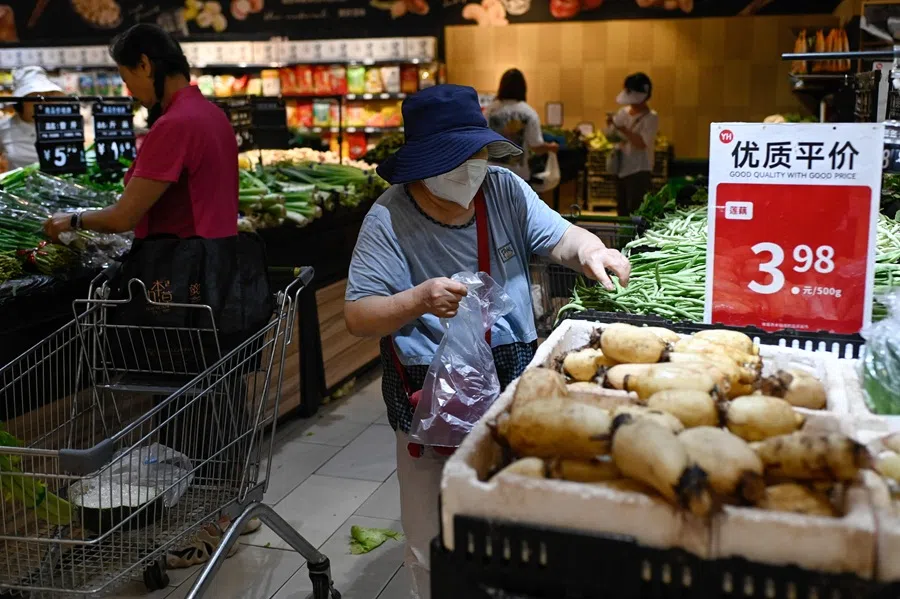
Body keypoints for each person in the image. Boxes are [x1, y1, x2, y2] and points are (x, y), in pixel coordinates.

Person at [344, 84, 631, 599]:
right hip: (429, 395)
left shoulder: (503, 188)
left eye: (476, 152)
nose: (471, 166)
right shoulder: (388, 218)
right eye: (457, 157)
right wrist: (418, 300)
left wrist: (592, 250)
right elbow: (358, 315)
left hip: (513, 385)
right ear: (423, 162)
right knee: (433, 534)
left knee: (513, 517)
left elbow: (561, 236)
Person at [42, 23, 260, 569]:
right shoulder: (209, 115)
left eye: (125, 75)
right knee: (217, 388)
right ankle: (234, 506)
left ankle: (205, 524)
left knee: (185, 398)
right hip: (216, 276)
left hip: (177, 282)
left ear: (145, 64)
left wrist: (69, 220)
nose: (127, 89)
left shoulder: (174, 124)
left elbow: (124, 215)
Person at [483, 68, 558, 182]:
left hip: (491, 175)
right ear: (523, 88)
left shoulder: (490, 110)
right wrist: (550, 147)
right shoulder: (528, 113)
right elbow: (536, 146)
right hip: (518, 177)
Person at [606, 72, 659, 217]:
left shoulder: (651, 117)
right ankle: (622, 238)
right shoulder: (622, 112)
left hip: (639, 169)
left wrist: (622, 129)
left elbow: (642, 143)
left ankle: (634, 238)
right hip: (621, 167)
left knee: (636, 209)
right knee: (621, 209)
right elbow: (611, 137)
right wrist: (611, 129)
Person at [0, 67, 66, 171]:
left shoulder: (61, 126)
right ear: (21, 101)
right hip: (18, 186)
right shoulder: (3, 128)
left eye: (47, 96)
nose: (43, 103)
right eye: (36, 97)